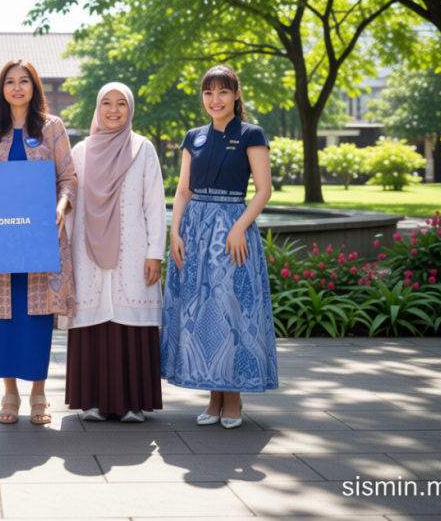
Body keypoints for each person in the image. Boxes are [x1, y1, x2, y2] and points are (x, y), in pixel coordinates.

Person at [161, 65, 278, 429]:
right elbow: (183, 190)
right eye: (208, 92)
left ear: (236, 95)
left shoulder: (251, 134)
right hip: (194, 231)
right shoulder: (193, 137)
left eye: (223, 92)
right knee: (201, 312)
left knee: (232, 311)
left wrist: (240, 227)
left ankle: (233, 400)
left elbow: (263, 190)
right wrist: (174, 231)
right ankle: (213, 398)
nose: (215, 99)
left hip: (232, 233)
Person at [0, 59, 77, 425]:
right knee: (1, 314)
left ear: (34, 87)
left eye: (24, 81)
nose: (17, 88)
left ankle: (38, 393)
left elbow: (68, 178)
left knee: (36, 313)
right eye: (10, 82)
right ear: (1, 88)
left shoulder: (52, 127)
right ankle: (9, 393)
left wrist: (61, 206)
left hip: (39, 238)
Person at [61, 83, 165, 423]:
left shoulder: (143, 149)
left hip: (132, 252)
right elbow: (70, 203)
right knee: (92, 320)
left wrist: (155, 252)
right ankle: (91, 401)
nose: (114, 110)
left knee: (129, 320)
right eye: (106, 102)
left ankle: (133, 403)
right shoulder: (81, 151)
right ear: (97, 107)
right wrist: (64, 253)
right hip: (86, 251)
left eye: (121, 103)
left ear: (130, 109)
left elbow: (154, 203)